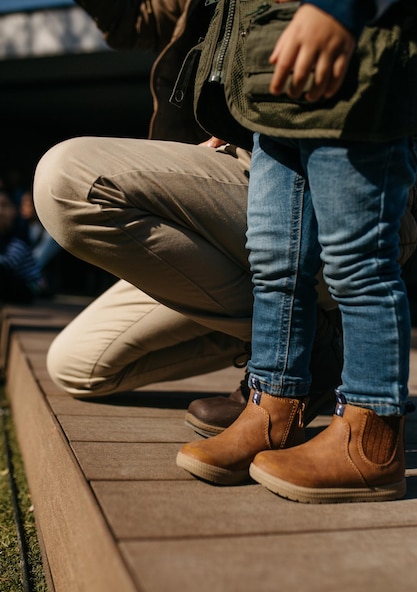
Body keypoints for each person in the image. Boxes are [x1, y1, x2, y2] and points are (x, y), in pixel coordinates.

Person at [34, 0, 417, 439]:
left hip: (345, 174)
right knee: (75, 365)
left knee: (67, 178)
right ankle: (304, 351)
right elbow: (134, 21)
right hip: (243, 168)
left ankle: (334, 394)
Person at [176, 0, 417, 503]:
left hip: (353, 68)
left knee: (359, 263)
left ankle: (370, 439)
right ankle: (272, 410)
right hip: (274, 88)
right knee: (273, 264)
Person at [0, 187, 43, 304]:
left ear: (15, 210)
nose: (1, 211)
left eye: (4, 205)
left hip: (27, 289)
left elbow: (8, 264)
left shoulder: (19, 237)